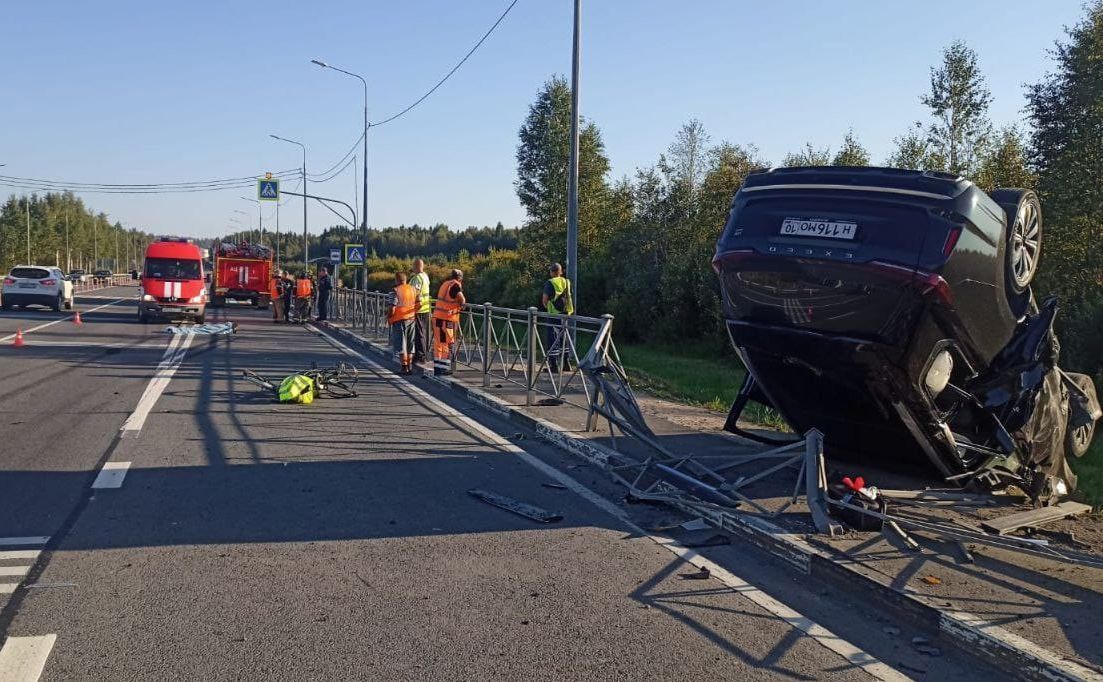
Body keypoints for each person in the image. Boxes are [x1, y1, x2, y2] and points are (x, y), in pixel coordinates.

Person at [541, 262, 575, 372]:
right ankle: (566, 364)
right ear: (560, 271)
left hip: (554, 313)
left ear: (551, 272)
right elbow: (570, 294)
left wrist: (548, 307)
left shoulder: (550, 283)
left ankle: (554, 365)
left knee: (553, 338)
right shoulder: (566, 282)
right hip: (566, 313)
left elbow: (545, 300)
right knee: (564, 337)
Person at [431, 268, 466, 376]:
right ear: (460, 278)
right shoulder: (455, 285)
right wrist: (463, 304)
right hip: (447, 318)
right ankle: (444, 368)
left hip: (437, 317)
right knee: (447, 343)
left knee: (439, 344)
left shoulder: (445, 284)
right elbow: (461, 299)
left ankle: (437, 368)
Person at [387, 272, 419, 375]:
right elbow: (420, 304)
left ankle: (404, 367)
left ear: (396, 280)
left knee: (401, 344)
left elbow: (392, 308)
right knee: (410, 344)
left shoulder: (395, 291)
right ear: (406, 280)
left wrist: (388, 317)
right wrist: (413, 312)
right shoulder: (413, 290)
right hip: (411, 319)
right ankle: (409, 367)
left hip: (398, 320)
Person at [410, 259, 432, 364]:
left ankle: (420, 356)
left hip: (418, 309)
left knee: (418, 334)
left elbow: (416, 293)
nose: (412, 268)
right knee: (421, 333)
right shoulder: (425, 276)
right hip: (425, 308)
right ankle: (421, 355)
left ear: (417, 266)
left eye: (413, 266)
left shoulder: (417, 278)